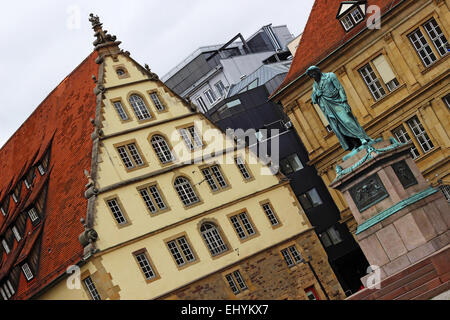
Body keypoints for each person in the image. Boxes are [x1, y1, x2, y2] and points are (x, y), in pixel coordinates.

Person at [307, 66, 372, 151]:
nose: (313, 76)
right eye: (311, 75)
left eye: (313, 73)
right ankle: (355, 143)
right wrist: (316, 94)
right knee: (339, 127)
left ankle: (362, 137)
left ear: (317, 71)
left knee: (347, 120)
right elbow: (314, 100)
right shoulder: (315, 86)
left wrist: (344, 102)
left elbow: (340, 88)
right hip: (328, 109)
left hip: (338, 103)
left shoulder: (330, 76)